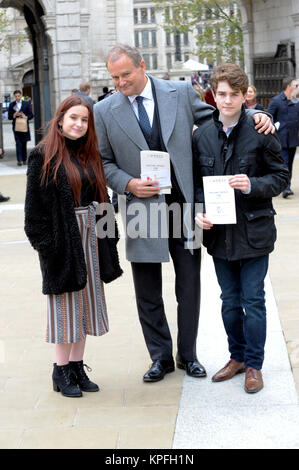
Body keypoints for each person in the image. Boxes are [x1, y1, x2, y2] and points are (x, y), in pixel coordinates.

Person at [94, 44, 274, 384]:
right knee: (147, 289)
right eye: (114, 77)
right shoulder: (104, 111)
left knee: (188, 285)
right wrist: (128, 183)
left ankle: (187, 355)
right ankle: (159, 357)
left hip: (185, 207)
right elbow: (102, 162)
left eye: (126, 75)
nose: (120, 82)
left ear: (142, 66)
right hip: (140, 209)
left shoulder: (178, 92)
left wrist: (255, 115)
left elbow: (220, 119)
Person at [193, 63, 289, 394]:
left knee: (254, 299)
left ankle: (254, 365)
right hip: (219, 234)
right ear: (213, 95)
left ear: (245, 96)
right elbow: (194, 185)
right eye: (221, 94)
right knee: (230, 300)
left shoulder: (262, 130)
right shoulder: (202, 135)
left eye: (234, 94)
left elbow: (281, 177)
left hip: (255, 230)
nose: (227, 101)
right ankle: (235, 357)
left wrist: (252, 184)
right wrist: (198, 211)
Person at [24, 95, 122, 398]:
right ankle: (61, 369)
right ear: (61, 118)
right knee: (65, 309)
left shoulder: (89, 154)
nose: (79, 124)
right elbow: (34, 214)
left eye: (84, 120)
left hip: (92, 239)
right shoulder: (42, 156)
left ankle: (78, 366)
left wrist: (109, 237)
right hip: (63, 243)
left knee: (86, 307)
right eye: (74, 118)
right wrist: (49, 249)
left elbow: (102, 199)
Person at [268, 76, 299, 198]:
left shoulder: (296, 101)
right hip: (280, 139)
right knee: (284, 164)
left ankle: (287, 185)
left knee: (290, 164)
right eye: (296, 85)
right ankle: (285, 187)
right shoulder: (276, 101)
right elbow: (269, 118)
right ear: (289, 87)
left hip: (292, 139)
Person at [8, 90, 33, 166]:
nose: (17, 97)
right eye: (16, 96)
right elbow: (9, 117)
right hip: (16, 126)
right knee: (18, 143)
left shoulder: (26, 104)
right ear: (14, 96)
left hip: (24, 126)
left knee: (24, 143)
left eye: (18, 96)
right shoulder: (12, 105)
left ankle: (24, 159)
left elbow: (31, 115)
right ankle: (19, 160)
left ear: (21, 95)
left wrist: (26, 117)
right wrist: (14, 115)